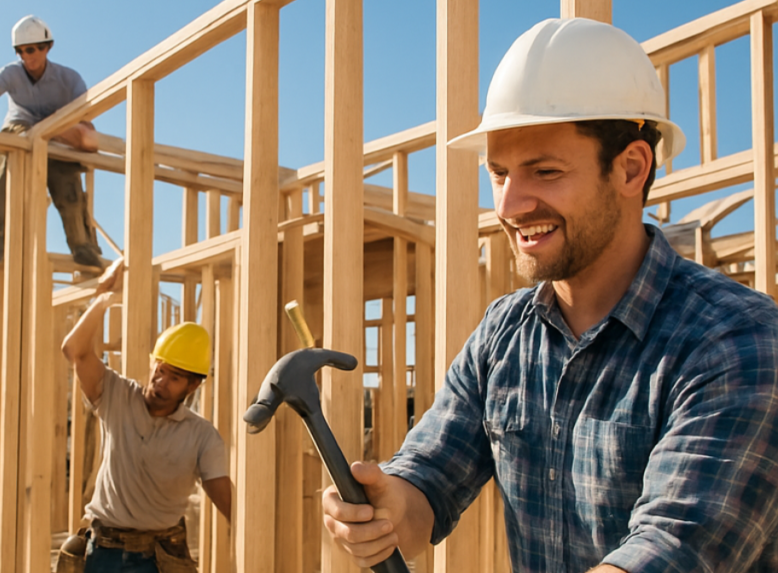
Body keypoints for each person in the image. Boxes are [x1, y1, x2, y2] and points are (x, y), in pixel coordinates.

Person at [322, 18, 778, 573]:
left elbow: (673, 550)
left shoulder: (735, 341)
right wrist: (390, 510)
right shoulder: (503, 335)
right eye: (499, 174)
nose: (511, 206)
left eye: (545, 170)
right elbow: (429, 479)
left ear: (631, 168)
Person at [61, 259, 232, 573]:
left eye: (174, 377)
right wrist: (102, 297)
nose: (160, 381)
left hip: (159, 557)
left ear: (194, 384)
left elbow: (224, 495)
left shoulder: (201, 436)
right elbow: (75, 350)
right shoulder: (117, 396)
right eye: (160, 369)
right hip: (103, 552)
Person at [0, 15, 103, 269]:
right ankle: (0, 236)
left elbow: (86, 123)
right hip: (20, 131)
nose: (27, 56)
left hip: (57, 138)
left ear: (48, 47)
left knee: (68, 186)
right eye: (21, 51)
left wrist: (60, 131)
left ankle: (82, 245)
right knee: (10, 162)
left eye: (33, 49)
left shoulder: (69, 79)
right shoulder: (12, 73)